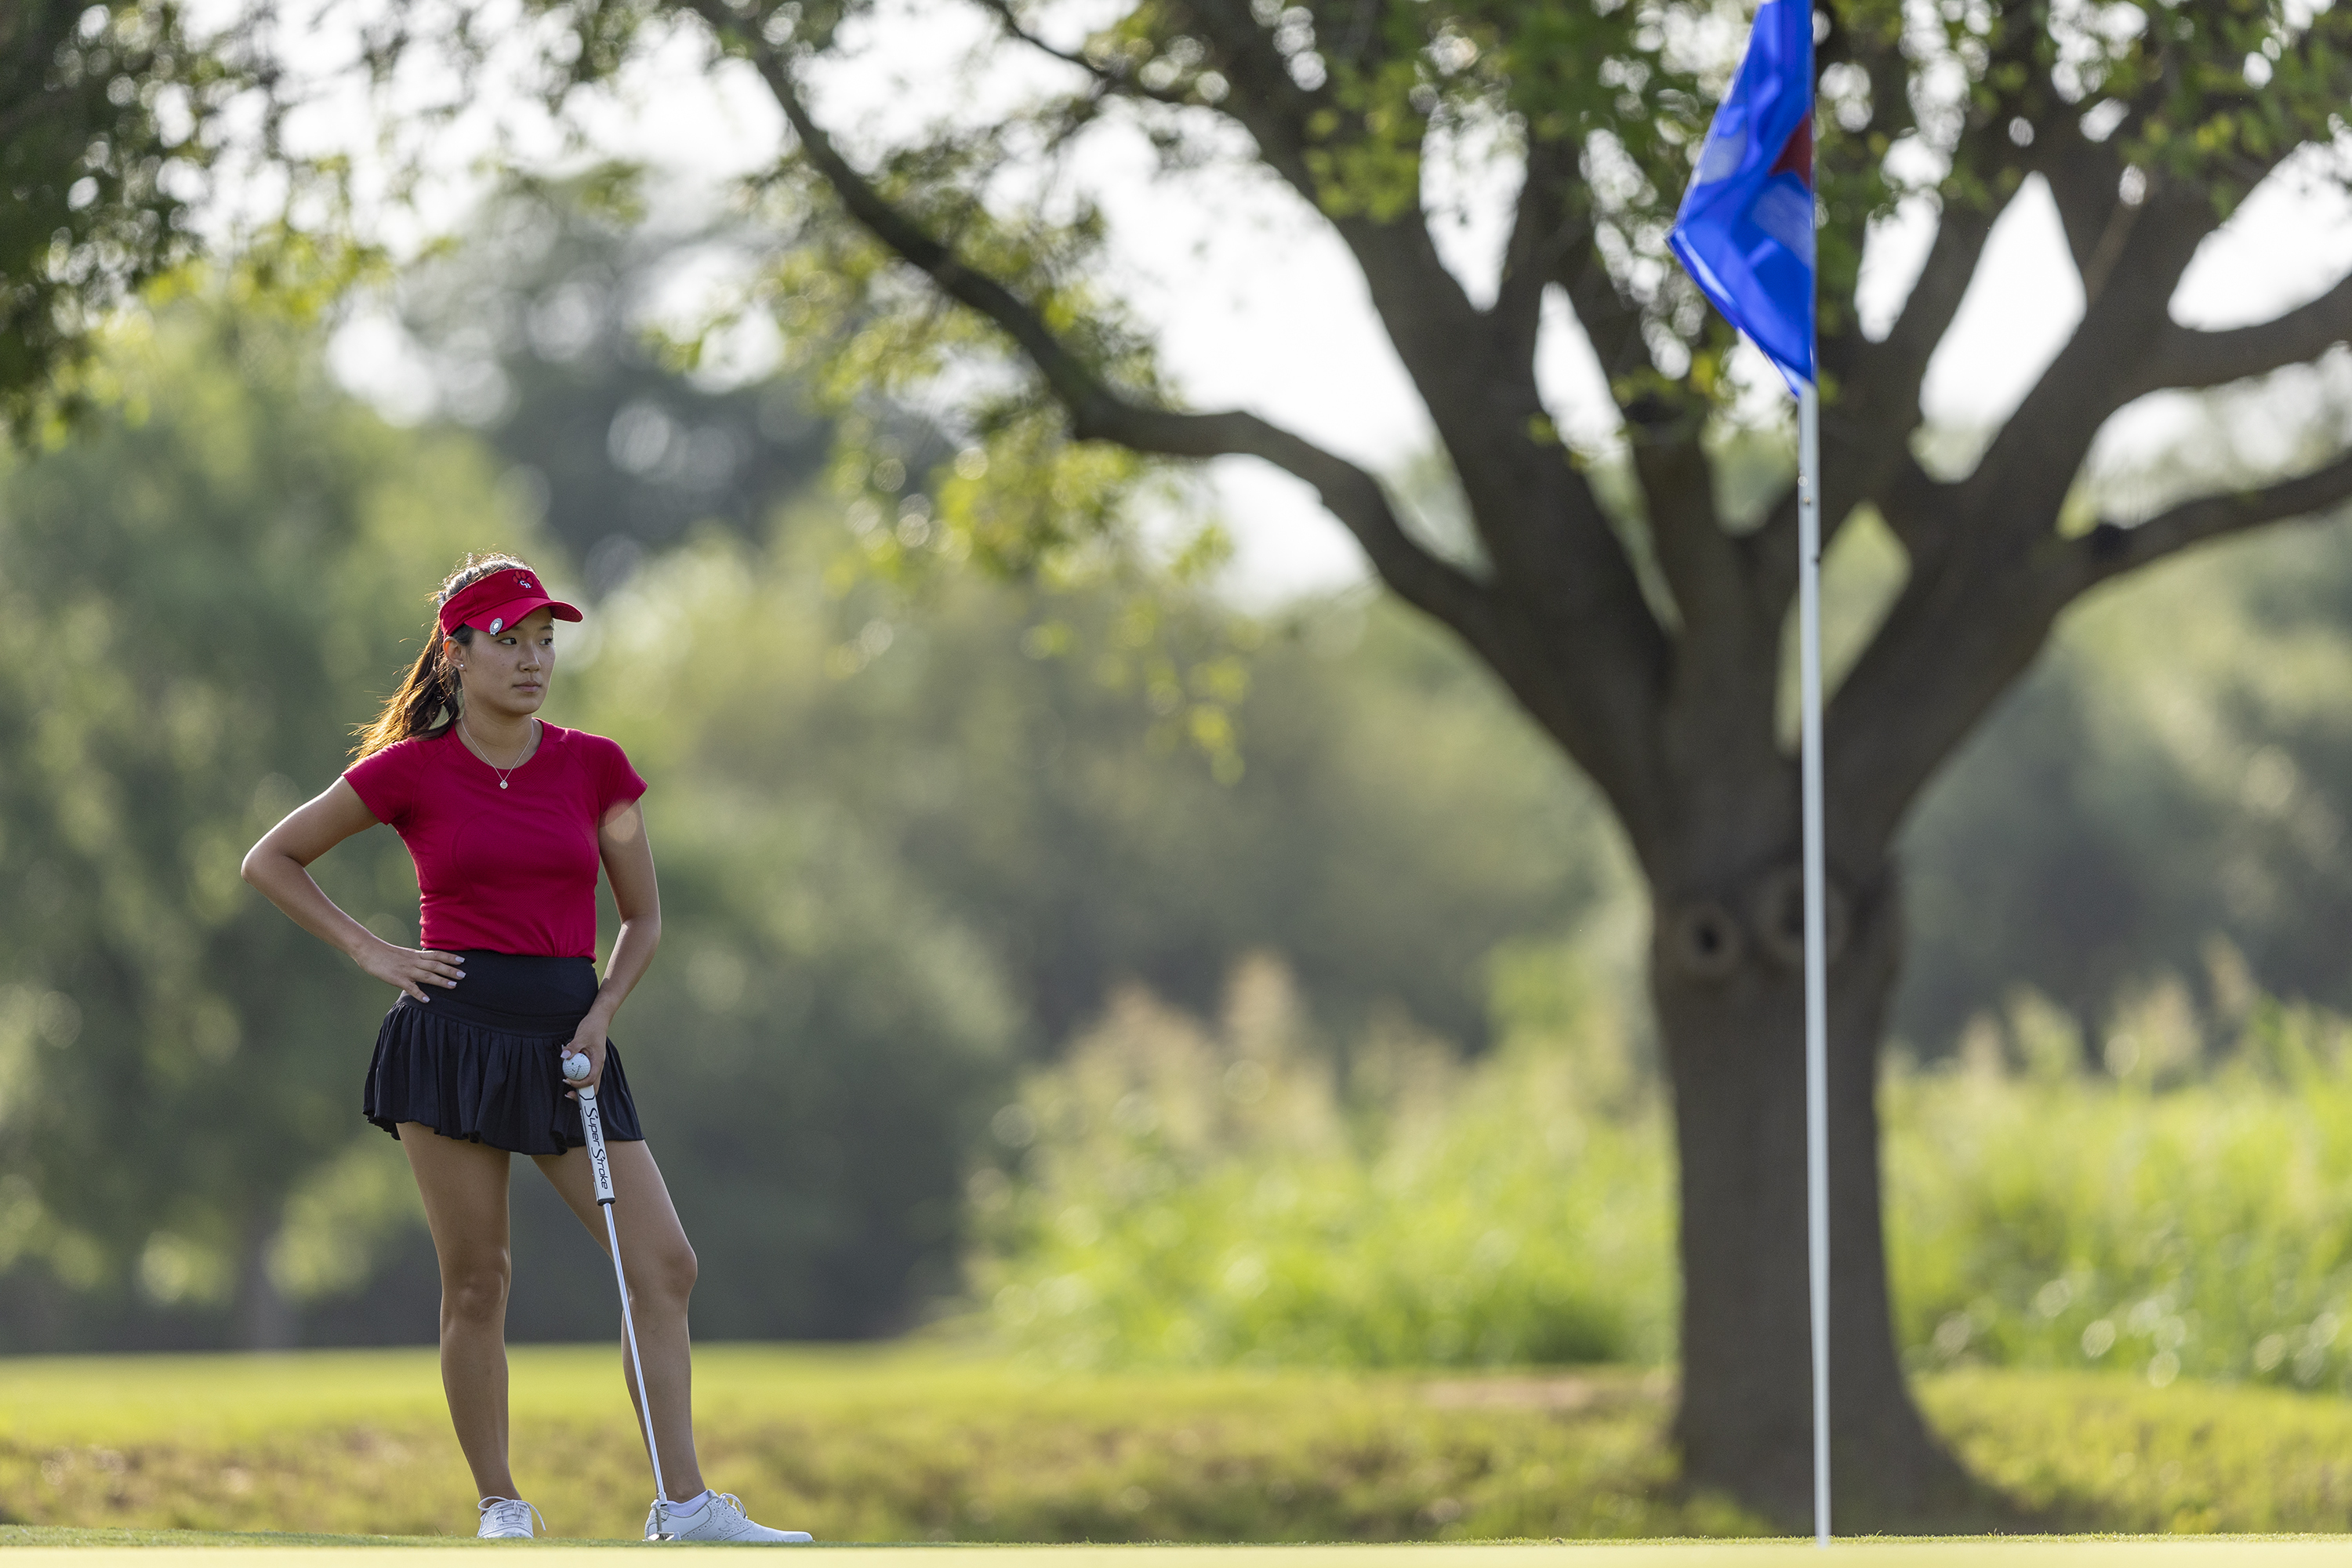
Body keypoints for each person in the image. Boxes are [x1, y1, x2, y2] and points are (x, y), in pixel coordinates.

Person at [242, 552, 808, 1544]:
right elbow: (271, 858)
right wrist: (375, 952)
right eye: (510, 640)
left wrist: (603, 1014)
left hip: (568, 1041)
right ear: (457, 653)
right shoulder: (409, 770)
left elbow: (640, 918)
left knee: (663, 1264)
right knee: (478, 1277)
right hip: (452, 1038)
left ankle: (683, 1506)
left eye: (546, 640)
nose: (534, 659)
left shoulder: (595, 766)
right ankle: (501, 1501)